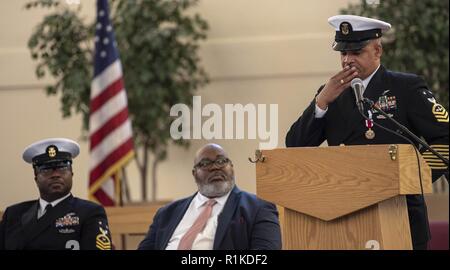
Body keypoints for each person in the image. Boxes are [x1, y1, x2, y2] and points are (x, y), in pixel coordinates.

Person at [286, 15, 449, 250]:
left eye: (356, 52)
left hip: (400, 213)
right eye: (343, 53)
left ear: (377, 50)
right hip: (346, 216)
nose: (347, 60)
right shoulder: (331, 93)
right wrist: (321, 103)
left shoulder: (405, 87)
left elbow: (444, 137)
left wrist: (410, 177)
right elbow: (294, 145)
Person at [138, 143, 282, 250]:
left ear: (231, 167)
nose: (215, 167)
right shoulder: (166, 213)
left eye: (221, 161)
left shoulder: (258, 208)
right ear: (194, 173)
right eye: (205, 163)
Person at [0, 138, 112, 250]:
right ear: (36, 177)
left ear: (71, 173)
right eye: (46, 170)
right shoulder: (13, 215)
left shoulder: (90, 213)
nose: (56, 175)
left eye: (62, 167)